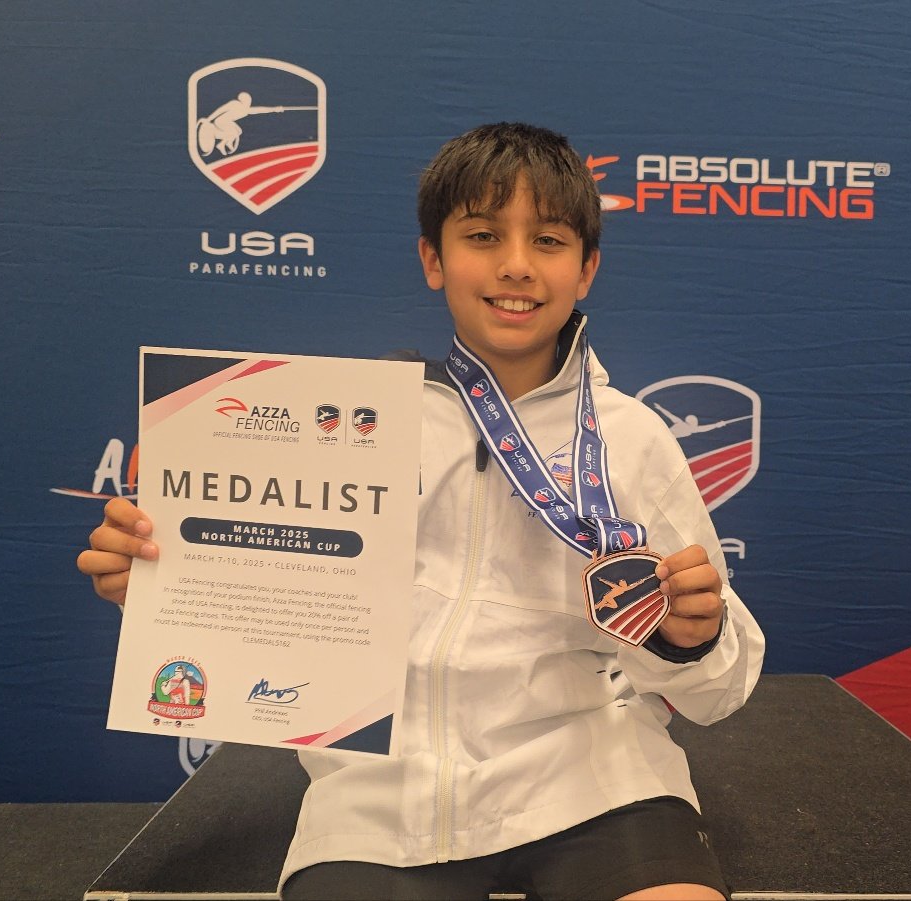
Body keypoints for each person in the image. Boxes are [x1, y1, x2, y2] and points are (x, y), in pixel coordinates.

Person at [79, 122, 765, 900]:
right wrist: (170, 590)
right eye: (481, 234)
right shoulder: (340, 425)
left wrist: (691, 638)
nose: (515, 264)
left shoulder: (633, 438)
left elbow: (721, 692)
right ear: (433, 260)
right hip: (380, 797)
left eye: (547, 239)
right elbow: (270, 624)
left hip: (597, 778)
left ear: (587, 270)